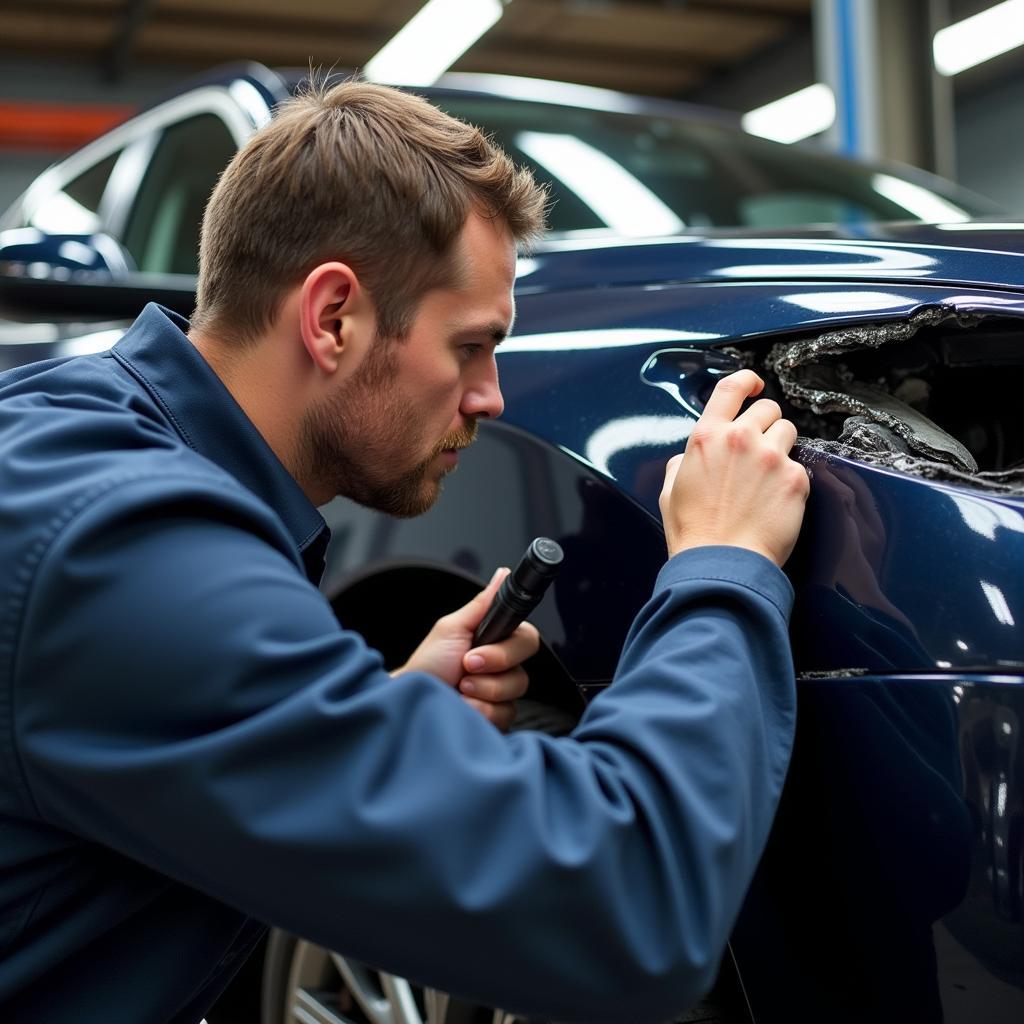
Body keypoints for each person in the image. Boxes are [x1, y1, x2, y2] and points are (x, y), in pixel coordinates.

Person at [0, 81, 809, 1024]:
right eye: (471, 346)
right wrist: (721, 566)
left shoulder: (84, 436)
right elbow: (624, 907)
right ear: (333, 316)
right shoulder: (118, 547)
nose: (490, 397)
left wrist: (384, 719)